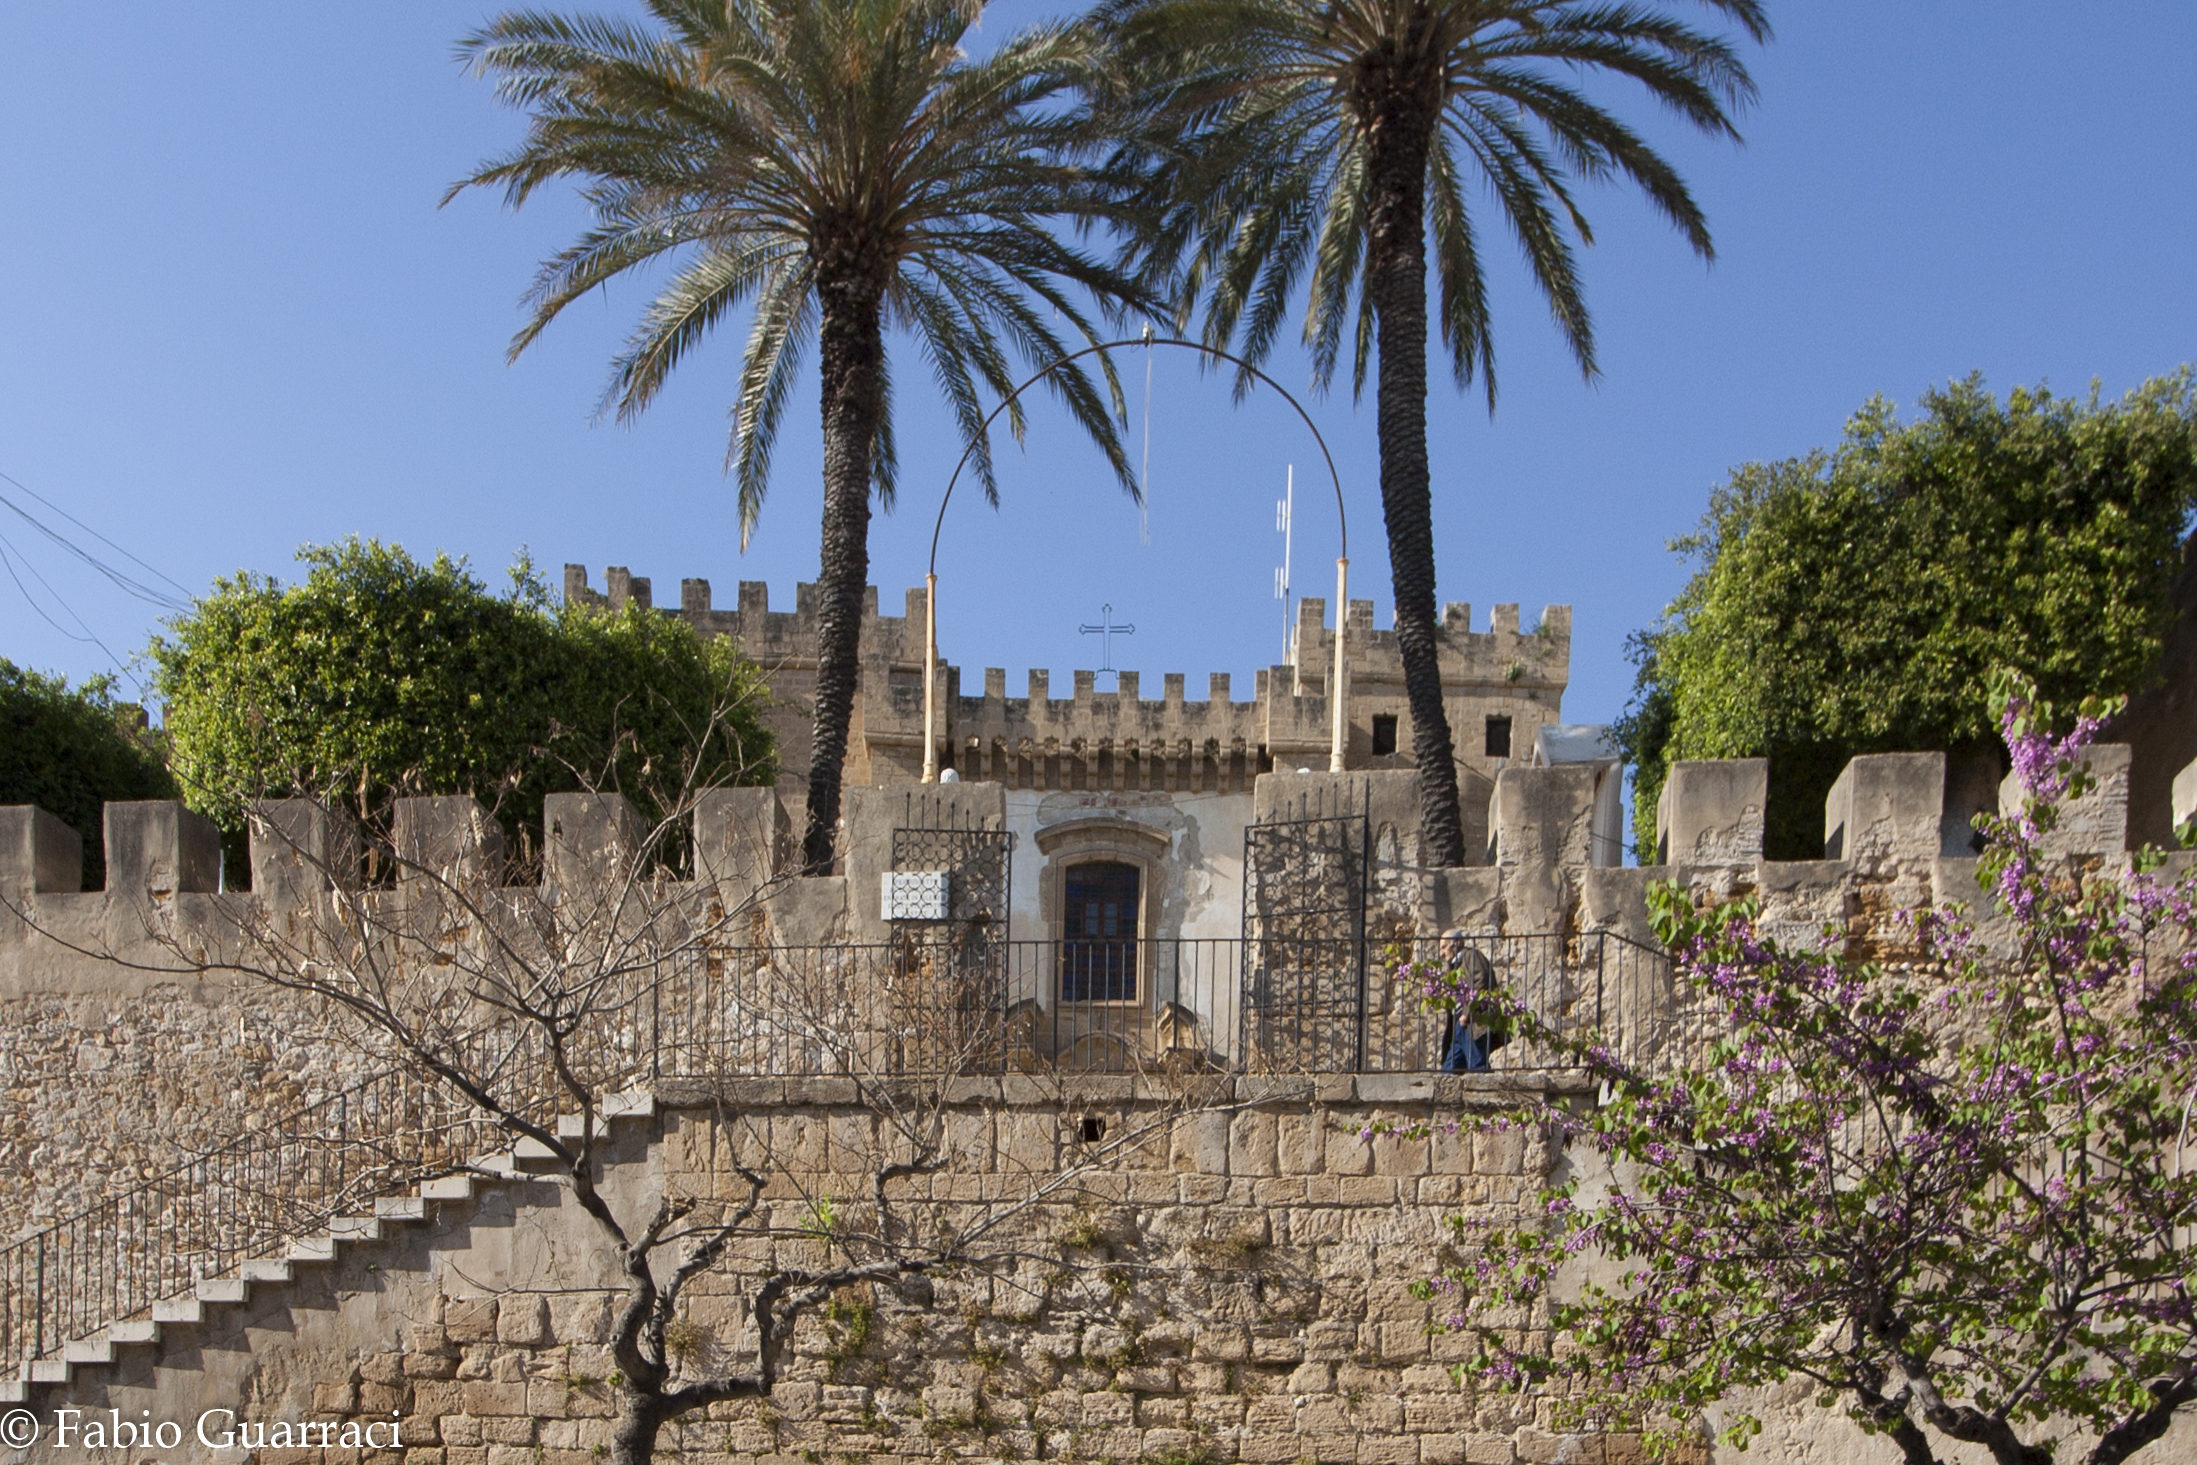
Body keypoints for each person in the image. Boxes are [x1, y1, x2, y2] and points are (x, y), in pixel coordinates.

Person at [1436, 929, 1507, 1073]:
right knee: (1449, 1069)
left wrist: (1467, 1013)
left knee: (1477, 1064)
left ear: (1457, 943)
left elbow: (1481, 983)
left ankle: (1484, 1093)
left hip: (1472, 1022)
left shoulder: (1472, 956)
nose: (1441, 953)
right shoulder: (1454, 966)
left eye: (1444, 947)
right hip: (1460, 1025)